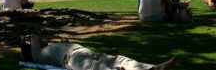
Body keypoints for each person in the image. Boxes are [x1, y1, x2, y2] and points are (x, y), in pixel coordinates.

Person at [25, 34, 176, 70]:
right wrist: (33, 40)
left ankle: (152, 68)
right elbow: (33, 36)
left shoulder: (49, 49)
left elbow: (64, 40)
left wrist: (55, 42)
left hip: (83, 51)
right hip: (70, 59)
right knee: (94, 67)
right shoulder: (36, 55)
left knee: (117, 59)